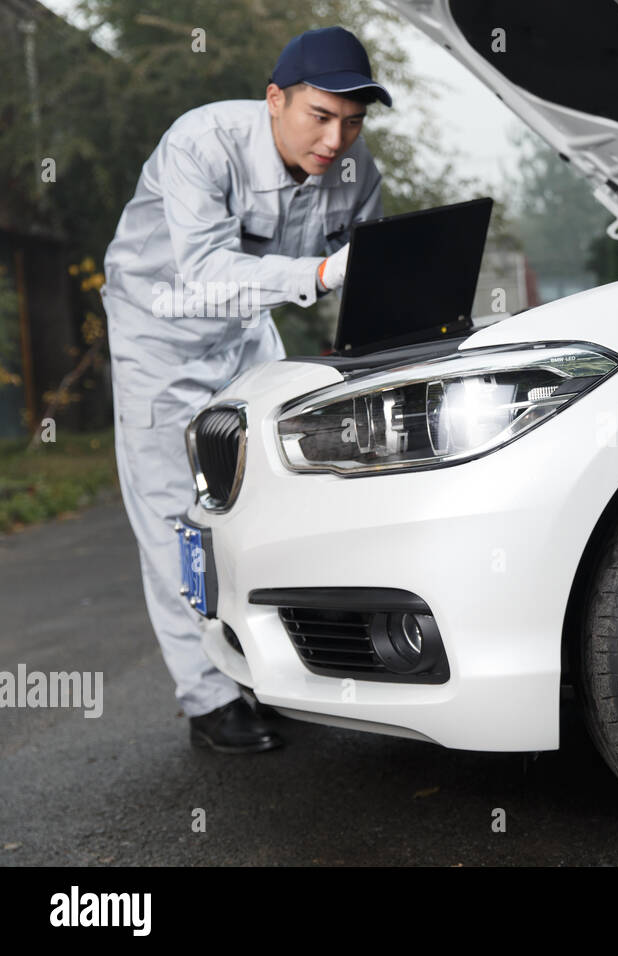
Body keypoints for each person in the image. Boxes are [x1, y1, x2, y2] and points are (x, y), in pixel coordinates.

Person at [101, 26, 389, 753]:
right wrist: (320, 276)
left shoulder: (355, 168)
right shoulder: (200, 143)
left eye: (352, 123)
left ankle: (273, 672)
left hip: (245, 333)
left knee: (275, 497)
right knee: (178, 522)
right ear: (274, 100)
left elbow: (378, 269)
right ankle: (208, 701)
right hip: (157, 336)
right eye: (320, 116)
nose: (336, 140)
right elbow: (203, 273)